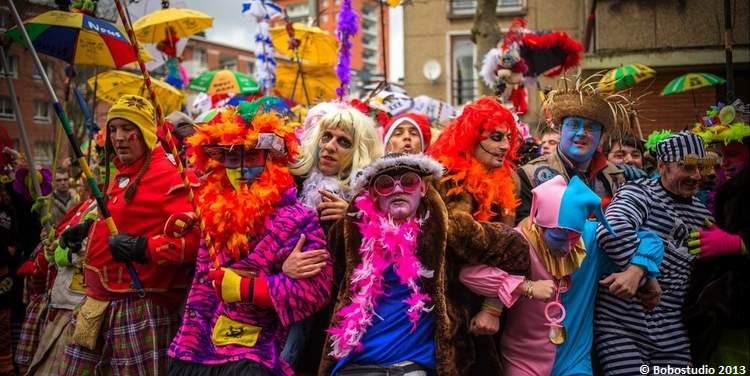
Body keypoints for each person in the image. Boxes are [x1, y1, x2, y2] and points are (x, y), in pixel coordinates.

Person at [318, 153, 529, 375]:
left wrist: (492, 309)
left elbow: (516, 248)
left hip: (413, 367)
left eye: (408, 182)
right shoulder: (351, 234)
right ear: (373, 194)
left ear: (423, 189)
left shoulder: (448, 230)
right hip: (354, 366)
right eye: (385, 185)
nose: (398, 189)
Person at [167, 103, 332, 376]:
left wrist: (248, 289)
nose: (242, 168)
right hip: (194, 351)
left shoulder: (296, 219)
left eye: (252, 156)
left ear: (271, 160)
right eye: (232, 159)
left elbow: (316, 290)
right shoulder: (211, 214)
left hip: (252, 355)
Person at [460, 175, 663, 375]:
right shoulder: (520, 241)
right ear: (540, 227)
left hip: (575, 359)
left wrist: (637, 270)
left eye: (574, 236)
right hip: (522, 358)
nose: (567, 245)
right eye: (558, 237)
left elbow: (651, 240)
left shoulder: (591, 238)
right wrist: (526, 287)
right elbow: (469, 274)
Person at [60, 95, 201, 375]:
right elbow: (122, 218)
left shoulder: (173, 177)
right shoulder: (121, 173)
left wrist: (143, 248)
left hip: (139, 305)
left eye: (127, 128)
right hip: (97, 302)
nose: (119, 137)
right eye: (113, 130)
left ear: (147, 132)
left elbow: (196, 243)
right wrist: (87, 231)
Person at [595, 132, 714, 374]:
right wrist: (647, 278)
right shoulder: (640, 192)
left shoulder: (704, 215)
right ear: (662, 167)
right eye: (687, 167)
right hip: (621, 323)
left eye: (700, 168)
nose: (696, 176)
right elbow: (611, 230)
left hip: (672, 330)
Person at [427, 97, 531, 373]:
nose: (505, 146)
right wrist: (513, 242)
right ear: (471, 137)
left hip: (490, 301)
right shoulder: (450, 176)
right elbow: (459, 233)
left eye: (509, 138)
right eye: (496, 137)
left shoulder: (507, 179)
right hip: (451, 302)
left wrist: (493, 305)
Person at [684, 110, 750, 367]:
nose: (723, 163)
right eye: (721, 155)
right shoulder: (725, 190)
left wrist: (739, 242)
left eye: (732, 154)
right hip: (730, 306)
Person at [514, 79, 627, 223]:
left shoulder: (617, 177)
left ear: (601, 136)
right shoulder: (529, 175)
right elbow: (525, 234)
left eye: (591, 127)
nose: (581, 133)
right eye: (574, 124)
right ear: (560, 129)